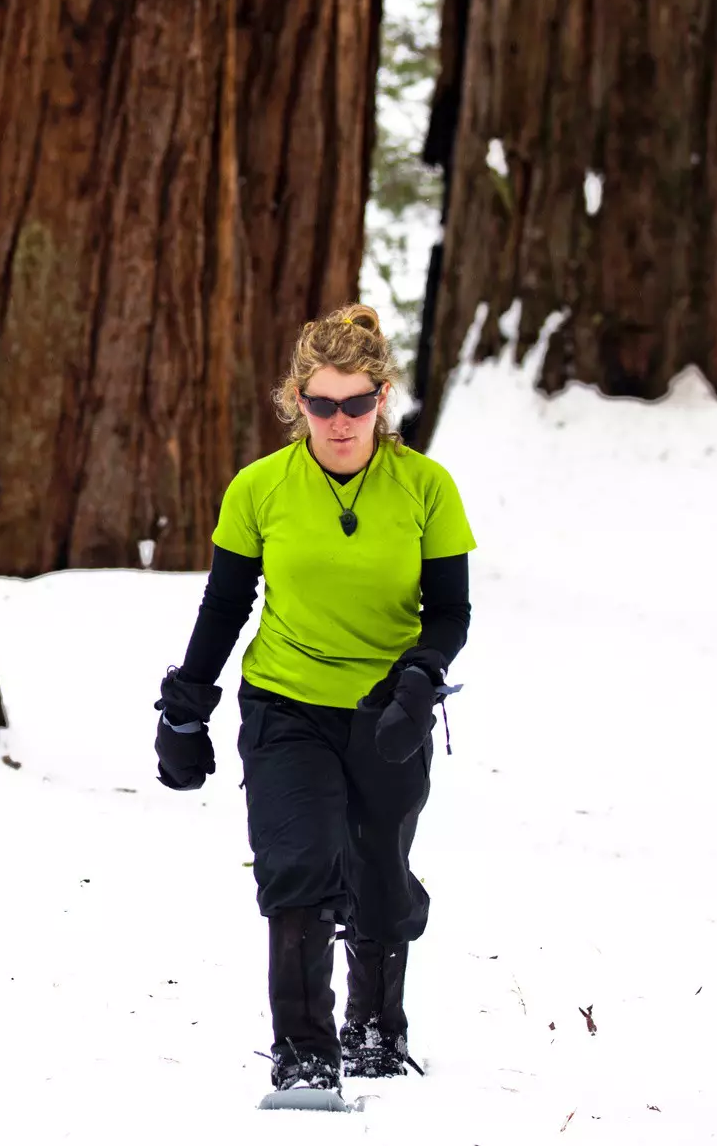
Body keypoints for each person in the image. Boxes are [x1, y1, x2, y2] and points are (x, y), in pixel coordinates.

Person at [151, 303, 475, 1096]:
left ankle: (376, 1030)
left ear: (382, 397)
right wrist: (185, 708)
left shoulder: (426, 488)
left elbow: (451, 611)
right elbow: (225, 603)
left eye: (357, 403)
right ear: (298, 400)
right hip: (285, 704)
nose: (340, 421)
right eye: (323, 404)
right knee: (298, 867)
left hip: (387, 712)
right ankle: (302, 1058)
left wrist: (420, 677)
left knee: (379, 878)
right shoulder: (260, 489)